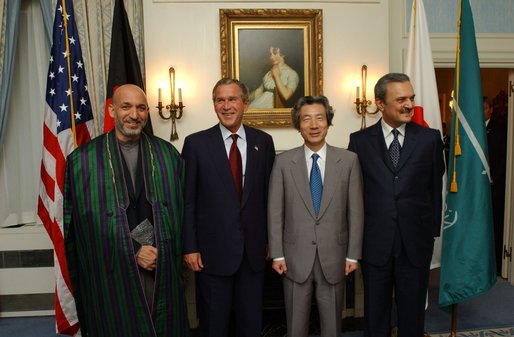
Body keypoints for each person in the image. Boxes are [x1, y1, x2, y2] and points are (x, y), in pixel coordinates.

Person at [63, 84, 190, 336]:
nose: (134, 114)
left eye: (141, 107)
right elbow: (82, 229)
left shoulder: (167, 155)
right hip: (112, 270)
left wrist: (159, 251)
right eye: (126, 106)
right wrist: (133, 251)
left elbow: (181, 213)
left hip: (160, 263)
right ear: (111, 110)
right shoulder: (82, 161)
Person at [348, 73, 445, 337]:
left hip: (415, 242)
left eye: (411, 98)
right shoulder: (359, 141)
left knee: (412, 317)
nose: (409, 105)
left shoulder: (430, 139)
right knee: (375, 316)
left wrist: (431, 232)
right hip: (375, 243)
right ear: (380, 104)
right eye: (401, 99)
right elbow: (354, 194)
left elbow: (435, 189)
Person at [182, 78, 275, 337]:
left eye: (232, 99)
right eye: (219, 100)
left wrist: (271, 241)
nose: (226, 106)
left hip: (253, 252)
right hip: (212, 254)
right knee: (214, 324)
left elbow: (269, 198)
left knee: (251, 323)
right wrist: (190, 246)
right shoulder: (195, 144)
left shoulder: (263, 142)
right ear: (214, 105)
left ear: (245, 103)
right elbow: (188, 200)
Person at [268, 95, 364, 337]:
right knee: (295, 327)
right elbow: (275, 211)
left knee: (332, 325)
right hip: (293, 258)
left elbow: (356, 210)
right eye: (306, 119)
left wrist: (353, 254)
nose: (313, 125)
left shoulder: (349, 161)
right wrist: (277, 253)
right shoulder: (282, 162)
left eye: (320, 118)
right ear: (298, 126)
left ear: (328, 122)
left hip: (335, 256)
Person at [484, 96, 507, 275]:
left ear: (490, 109)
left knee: (495, 227)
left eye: (484, 108)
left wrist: (493, 177)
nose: (481, 111)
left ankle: (496, 267)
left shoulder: (500, 129)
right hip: (475, 190)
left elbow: (504, 158)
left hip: (494, 188)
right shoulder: (469, 128)